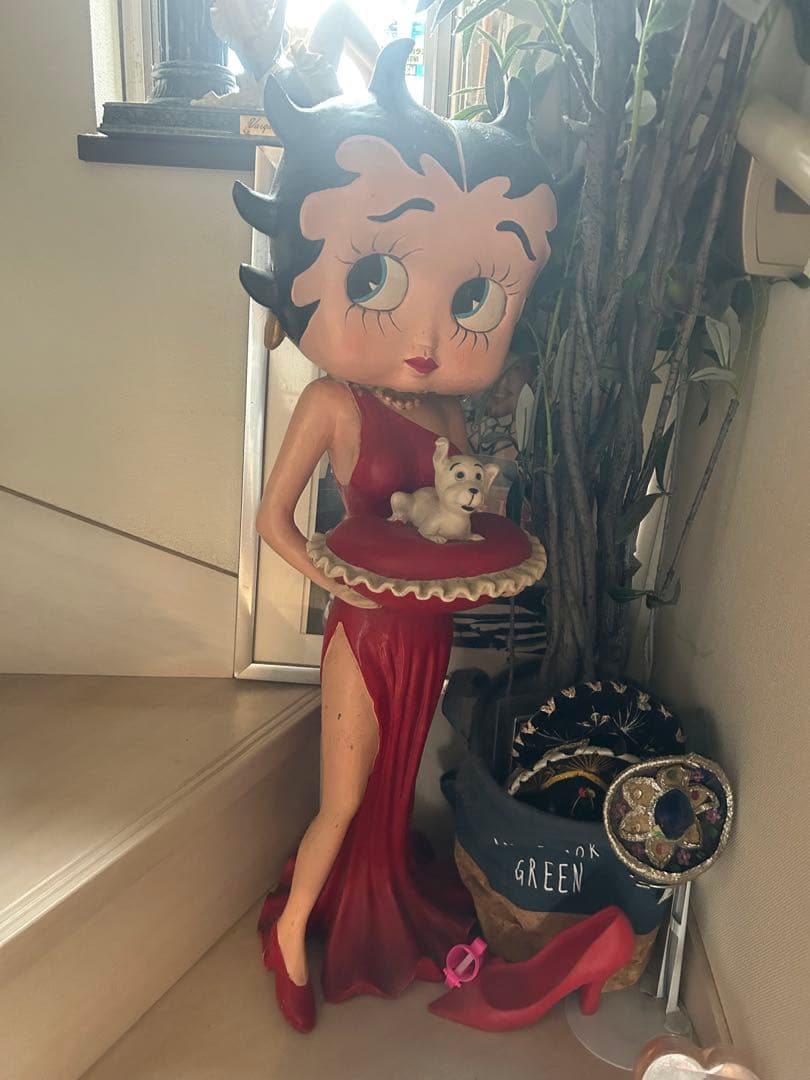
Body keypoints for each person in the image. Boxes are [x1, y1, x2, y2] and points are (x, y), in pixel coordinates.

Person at [233, 38, 557, 1032]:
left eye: (469, 300)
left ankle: (381, 897)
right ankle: (294, 937)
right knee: (344, 797)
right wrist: (337, 581)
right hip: (366, 633)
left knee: (391, 786)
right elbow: (272, 520)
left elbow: (458, 507)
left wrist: (489, 520)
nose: (425, 337)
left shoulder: (448, 412)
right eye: (381, 280)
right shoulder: (331, 403)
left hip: (430, 628)